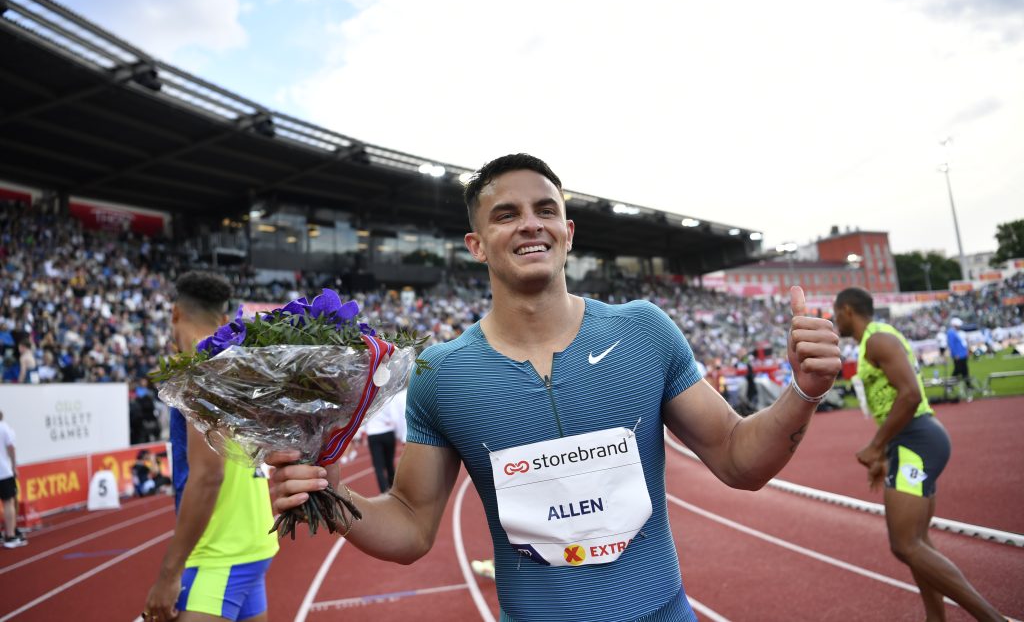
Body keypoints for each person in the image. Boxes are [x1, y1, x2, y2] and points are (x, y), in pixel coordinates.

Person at [269, 154, 841, 622]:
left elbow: (740, 461)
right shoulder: (441, 373)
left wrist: (804, 391)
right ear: (476, 243)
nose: (530, 224)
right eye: (506, 214)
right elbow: (412, 527)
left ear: (567, 232)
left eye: (546, 210)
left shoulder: (643, 330)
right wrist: (330, 496)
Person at [833, 288, 1003, 622]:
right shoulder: (876, 339)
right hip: (911, 441)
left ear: (848, 310)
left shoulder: (878, 340)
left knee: (904, 544)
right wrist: (883, 452)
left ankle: (993, 619)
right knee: (917, 543)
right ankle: (935, 619)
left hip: (917, 440)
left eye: (836, 312)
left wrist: (876, 446)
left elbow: (910, 395)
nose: (834, 319)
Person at [143, 271, 278, 622]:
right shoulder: (236, 366)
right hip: (254, 536)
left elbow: (207, 477)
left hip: (220, 548)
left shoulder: (199, 372)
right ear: (222, 319)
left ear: (174, 313)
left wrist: (169, 573)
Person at [363, 388, 407, 493]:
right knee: (389, 464)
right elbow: (394, 417)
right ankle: (393, 489)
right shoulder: (386, 399)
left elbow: (363, 419)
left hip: (373, 435)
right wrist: (399, 435)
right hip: (388, 433)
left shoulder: (367, 401)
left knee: (378, 467)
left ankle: (384, 492)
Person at [0, 410, 27, 548]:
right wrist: (14, 465)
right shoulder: (4, 428)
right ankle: (10, 535)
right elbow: (11, 448)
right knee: (8, 502)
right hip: (3, 471)